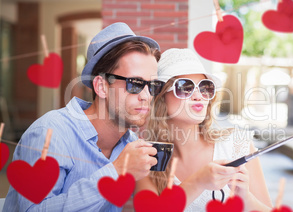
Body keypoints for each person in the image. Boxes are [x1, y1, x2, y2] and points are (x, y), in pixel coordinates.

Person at [4, 22, 164, 211]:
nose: (146, 96)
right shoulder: (51, 134)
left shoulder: (129, 144)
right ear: (101, 86)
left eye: (152, 86)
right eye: (135, 83)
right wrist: (117, 170)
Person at [135, 48, 273, 211]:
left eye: (205, 87)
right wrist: (199, 181)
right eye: (185, 87)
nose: (198, 95)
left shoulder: (237, 144)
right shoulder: (148, 157)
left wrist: (247, 200)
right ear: (161, 98)